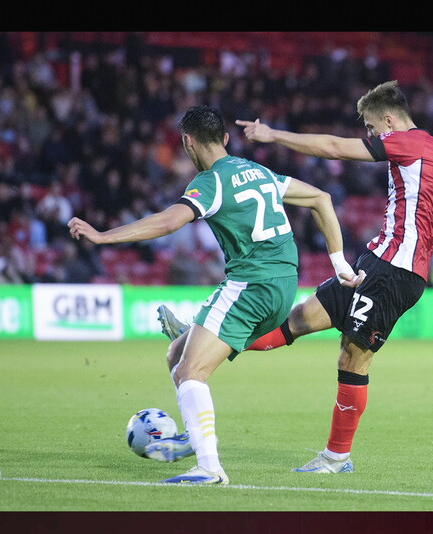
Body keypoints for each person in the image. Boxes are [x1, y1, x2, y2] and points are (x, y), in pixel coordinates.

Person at [161, 80, 433, 474]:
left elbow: (333, 147)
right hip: (376, 263)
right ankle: (199, 337)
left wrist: (273, 134)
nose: (370, 135)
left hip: (395, 272)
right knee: (294, 321)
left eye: (371, 127)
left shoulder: (408, 142)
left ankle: (336, 457)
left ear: (390, 121)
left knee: (353, 357)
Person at [68, 105, 364, 485]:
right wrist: (339, 264)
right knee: (177, 354)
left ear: (187, 142)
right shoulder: (258, 171)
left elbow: (169, 221)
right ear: (225, 138)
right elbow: (321, 198)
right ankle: (194, 433)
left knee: (191, 371)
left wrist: (104, 236)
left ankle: (209, 466)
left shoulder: (212, 181)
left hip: (251, 284)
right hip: (284, 284)